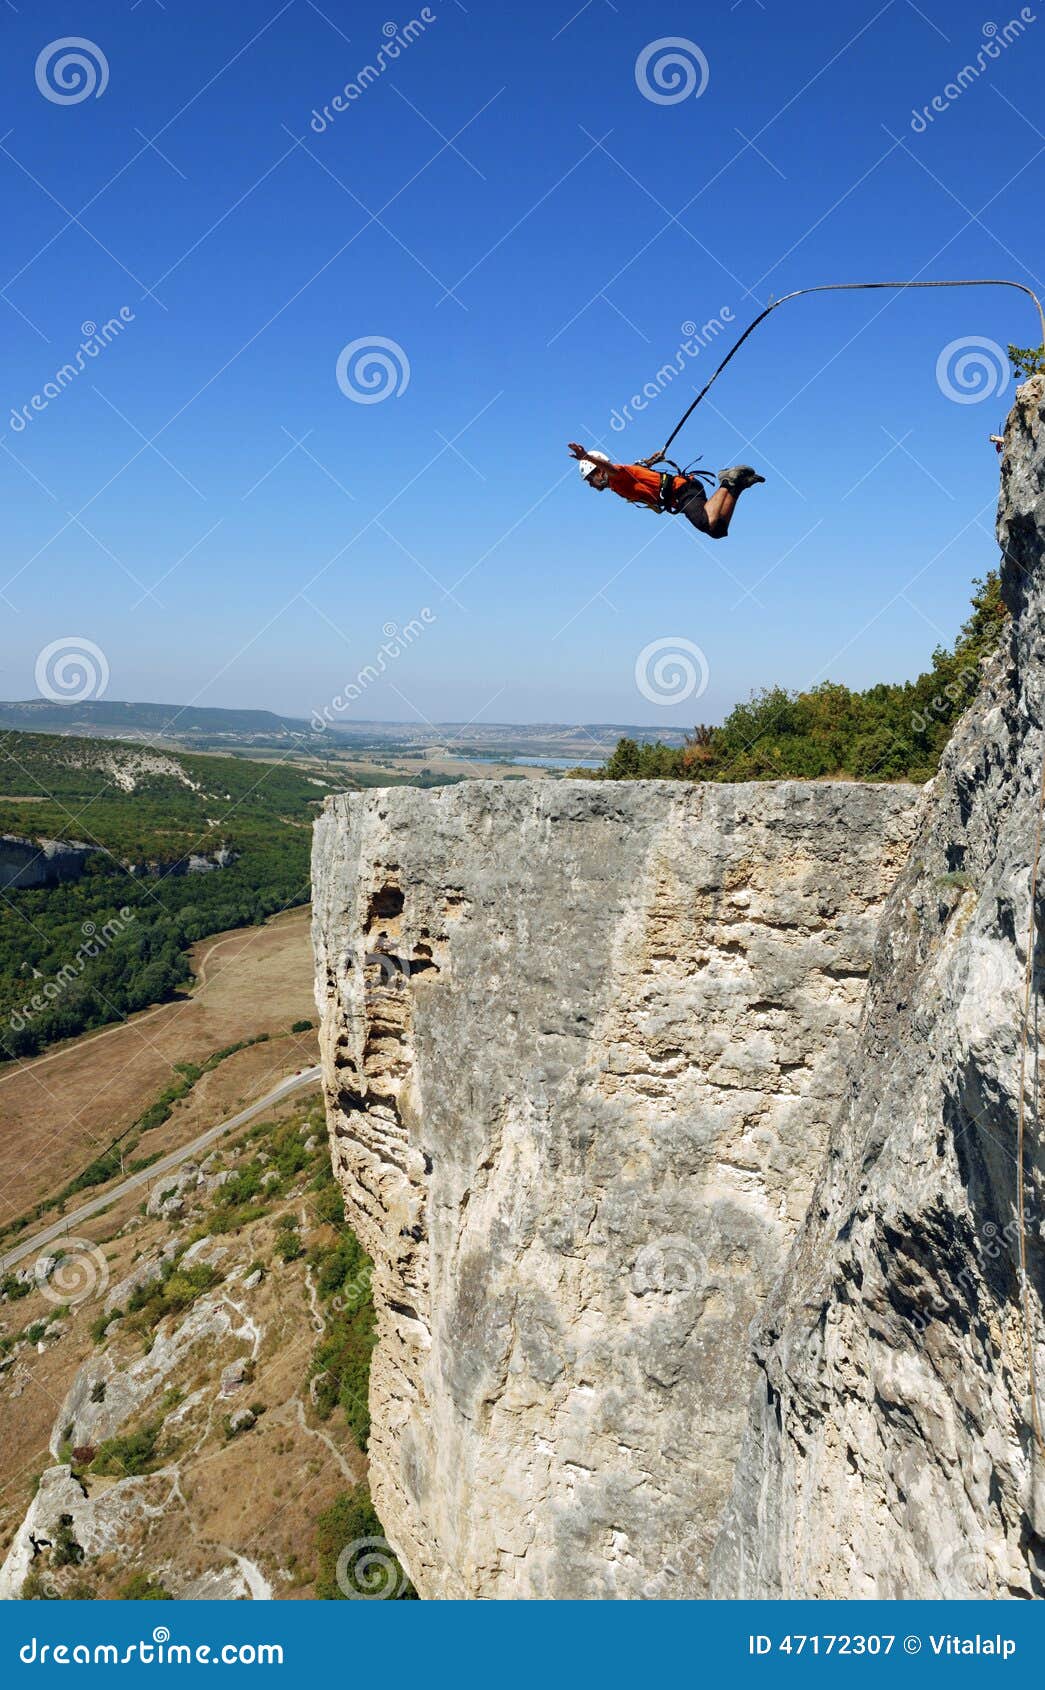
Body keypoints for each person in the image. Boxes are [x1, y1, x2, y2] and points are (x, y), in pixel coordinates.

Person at [568, 443, 764, 539]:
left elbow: (612, 468)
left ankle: (727, 482)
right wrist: (653, 460)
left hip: (682, 490)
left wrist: (586, 456)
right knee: (717, 531)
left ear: (599, 471)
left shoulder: (616, 474)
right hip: (680, 494)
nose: (591, 485)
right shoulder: (619, 481)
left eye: (590, 479)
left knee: (705, 522)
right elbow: (641, 466)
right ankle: (737, 486)